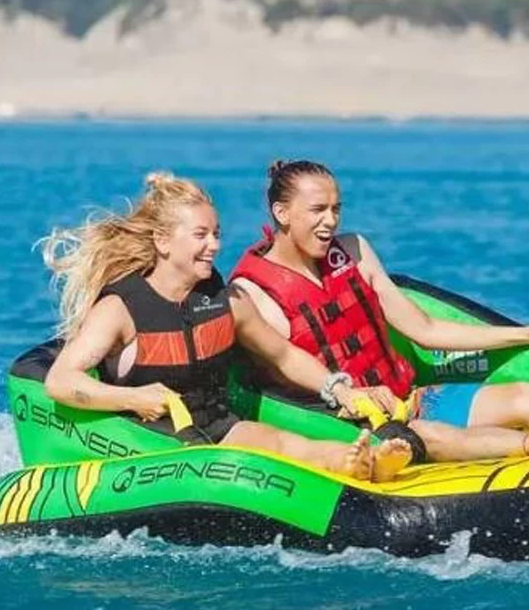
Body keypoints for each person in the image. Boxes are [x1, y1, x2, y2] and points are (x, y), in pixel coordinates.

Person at [229, 160, 529, 453]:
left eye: (336, 208)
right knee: (434, 437)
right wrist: (348, 396)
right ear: (281, 213)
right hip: (351, 427)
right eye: (318, 210)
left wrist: (527, 333)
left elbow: (424, 329)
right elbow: (283, 376)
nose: (331, 220)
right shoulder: (255, 294)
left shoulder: (352, 252)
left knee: (522, 396)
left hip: (408, 397)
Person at [40, 171, 413, 483]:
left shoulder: (225, 301)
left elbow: (282, 354)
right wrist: (133, 398)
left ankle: (361, 463)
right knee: (250, 454)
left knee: (285, 444)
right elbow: (60, 380)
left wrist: (339, 389)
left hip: (218, 428)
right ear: (163, 241)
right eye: (201, 235)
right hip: (150, 442)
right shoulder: (120, 309)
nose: (215, 246)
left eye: (216, 234)